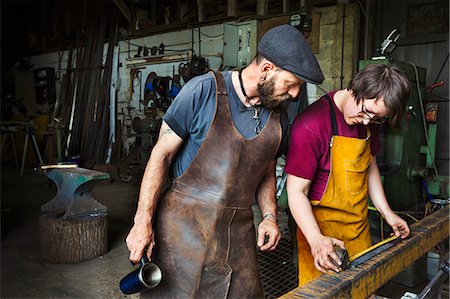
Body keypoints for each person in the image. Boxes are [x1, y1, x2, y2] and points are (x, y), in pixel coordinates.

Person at [125, 24, 324, 298]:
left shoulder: (279, 118)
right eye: (291, 85)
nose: (295, 95)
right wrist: (142, 221)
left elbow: (266, 170)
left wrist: (269, 217)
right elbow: (161, 155)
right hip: (181, 234)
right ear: (266, 70)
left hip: (236, 239)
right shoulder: (202, 91)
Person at [285, 63, 411, 286]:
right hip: (321, 238)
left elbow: (369, 166)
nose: (365, 122)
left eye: (375, 118)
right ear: (356, 88)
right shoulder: (311, 126)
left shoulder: (368, 122)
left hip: (357, 231)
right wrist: (316, 240)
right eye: (366, 112)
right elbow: (296, 191)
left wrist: (387, 212)